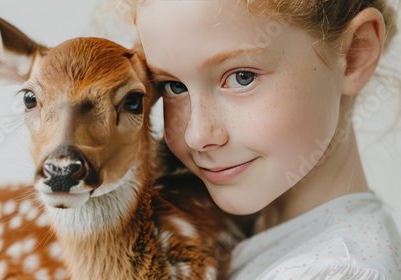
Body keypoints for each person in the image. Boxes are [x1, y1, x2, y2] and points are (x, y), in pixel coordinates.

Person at [117, 0, 401, 278]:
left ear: (354, 54)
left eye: (242, 77)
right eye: (173, 86)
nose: (197, 136)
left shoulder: (334, 271)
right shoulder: (223, 236)